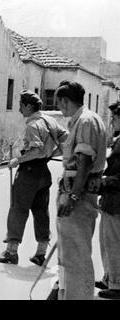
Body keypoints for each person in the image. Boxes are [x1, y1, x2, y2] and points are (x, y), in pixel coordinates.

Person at [0, 90, 68, 266]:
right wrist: (52, 153)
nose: (19, 110)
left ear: (28, 106)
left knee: (18, 209)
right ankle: (41, 253)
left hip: (29, 172)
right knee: (41, 212)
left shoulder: (33, 125)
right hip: (44, 172)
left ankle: (11, 252)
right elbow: (67, 140)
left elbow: (36, 150)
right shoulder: (50, 120)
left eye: (21, 106)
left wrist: (18, 160)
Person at [55, 80, 107, 300]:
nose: (59, 108)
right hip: (74, 194)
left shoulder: (85, 121)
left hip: (78, 196)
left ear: (65, 101)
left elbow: (84, 162)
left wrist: (73, 196)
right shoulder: (83, 120)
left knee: (76, 256)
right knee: (68, 256)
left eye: (59, 103)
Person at [96, 101, 120, 300]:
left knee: (113, 242)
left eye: (114, 118)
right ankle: (108, 277)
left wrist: (103, 182)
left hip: (116, 201)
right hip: (110, 200)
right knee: (106, 240)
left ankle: (117, 284)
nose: (111, 121)